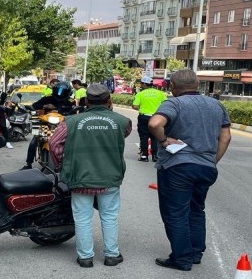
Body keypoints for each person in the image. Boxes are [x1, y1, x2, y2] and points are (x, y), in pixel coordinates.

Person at [148, 69, 232, 271]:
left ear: (173, 87)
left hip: (178, 167)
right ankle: (195, 253)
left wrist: (164, 140)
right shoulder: (216, 105)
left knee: (175, 212)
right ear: (197, 84)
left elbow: (155, 123)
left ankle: (182, 258)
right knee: (196, 209)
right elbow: (226, 137)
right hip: (206, 168)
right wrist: (212, 160)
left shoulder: (174, 103)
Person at [54, 83, 132, 268]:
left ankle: (85, 257)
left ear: (86, 101)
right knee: (109, 216)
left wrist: (61, 166)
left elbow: (55, 143)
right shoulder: (122, 121)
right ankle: (112, 255)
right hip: (109, 176)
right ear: (109, 101)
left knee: (82, 218)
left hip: (80, 177)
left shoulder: (71, 122)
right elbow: (123, 134)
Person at [20, 81, 74, 170]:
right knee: (34, 141)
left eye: (63, 91)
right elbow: (35, 105)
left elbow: (73, 110)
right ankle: (28, 164)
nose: (60, 93)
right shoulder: (47, 98)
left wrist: (62, 110)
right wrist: (45, 106)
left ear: (67, 93)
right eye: (58, 90)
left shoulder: (70, 102)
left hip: (63, 126)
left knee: (72, 141)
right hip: (45, 124)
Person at [132, 76, 167, 162]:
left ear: (144, 84)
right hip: (157, 117)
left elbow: (135, 106)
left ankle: (144, 156)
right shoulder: (160, 93)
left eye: (141, 83)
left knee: (144, 136)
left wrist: (141, 107)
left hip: (144, 117)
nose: (140, 85)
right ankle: (155, 156)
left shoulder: (140, 94)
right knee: (155, 137)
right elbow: (166, 104)